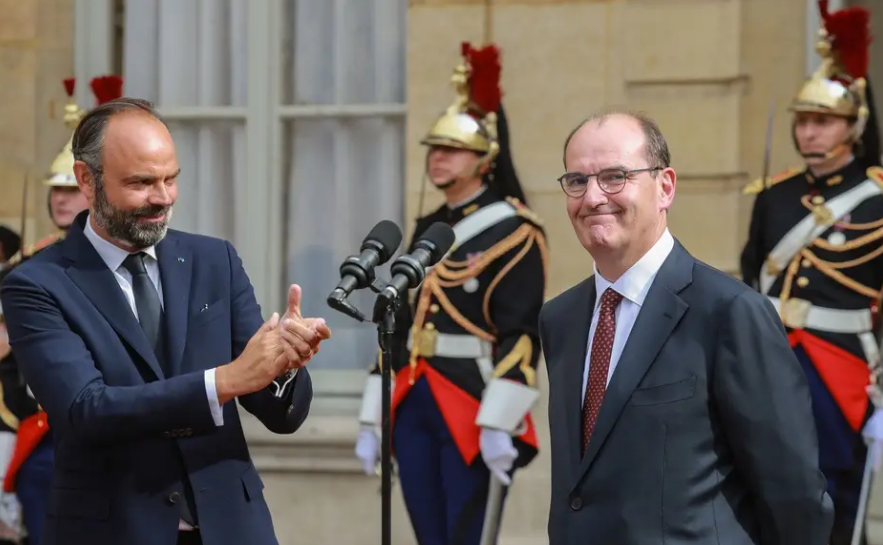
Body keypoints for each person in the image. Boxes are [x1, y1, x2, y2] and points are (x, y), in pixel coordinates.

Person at [0, 96, 332, 545]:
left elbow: (276, 413)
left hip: (232, 528)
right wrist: (223, 382)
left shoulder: (215, 260)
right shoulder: (37, 282)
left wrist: (285, 363)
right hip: (112, 531)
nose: (161, 198)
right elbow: (86, 411)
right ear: (87, 180)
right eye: (140, 182)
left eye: (170, 179)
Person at [540, 109, 833, 544]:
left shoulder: (729, 312)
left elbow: (794, 495)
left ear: (665, 188)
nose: (593, 197)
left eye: (615, 177)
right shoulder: (560, 319)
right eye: (578, 181)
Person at [354, 42, 548, 544]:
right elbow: (398, 321)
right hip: (414, 397)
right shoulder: (429, 226)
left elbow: (520, 334)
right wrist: (373, 412)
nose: (437, 158)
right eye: (434, 148)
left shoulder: (515, 230)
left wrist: (500, 419)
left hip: (471, 401)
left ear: (486, 158)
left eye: (452, 149)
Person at [740, 3, 883, 543]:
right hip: (773, 360)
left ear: (855, 125)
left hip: (842, 368)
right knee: (769, 487)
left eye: (822, 122)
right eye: (802, 121)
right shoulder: (774, 195)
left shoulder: (876, 201)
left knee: (837, 495)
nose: (808, 132)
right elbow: (751, 279)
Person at [0, 76, 116, 545]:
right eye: (56, 190)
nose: (62, 198)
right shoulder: (28, 265)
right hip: (36, 425)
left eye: (71, 188)